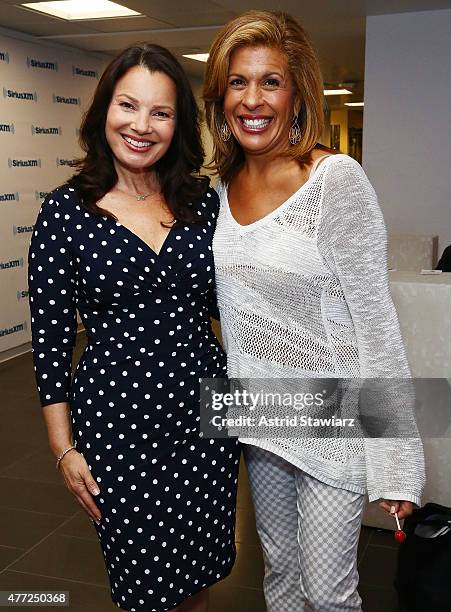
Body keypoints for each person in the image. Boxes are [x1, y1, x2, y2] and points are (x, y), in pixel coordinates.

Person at [204, 10, 425, 611]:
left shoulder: (336, 181)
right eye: (239, 82)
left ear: (298, 92)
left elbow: (377, 326)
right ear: (221, 96)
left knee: (327, 594)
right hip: (260, 415)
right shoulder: (219, 191)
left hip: (332, 425)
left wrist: (397, 463)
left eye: (271, 81)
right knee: (279, 575)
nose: (253, 99)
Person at [28, 43, 240, 612]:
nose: (141, 126)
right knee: (145, 588)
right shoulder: (66, 212)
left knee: (198, 576)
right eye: (129, 105)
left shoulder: (205, 203)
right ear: (104, 111)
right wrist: (62, 447)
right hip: (119, 428)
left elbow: (237, 307)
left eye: (161, 112)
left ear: (179, 124)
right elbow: (49, 339)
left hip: (206, 417)